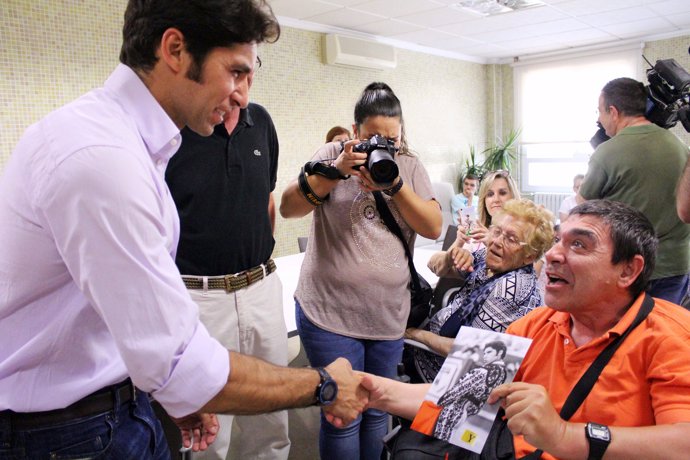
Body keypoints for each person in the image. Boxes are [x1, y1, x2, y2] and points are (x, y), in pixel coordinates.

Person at [0, 2, 366, 458]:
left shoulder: (127, 141)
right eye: (233, 72)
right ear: (174, 49)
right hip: (67, 433)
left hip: (110, 401)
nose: (242, 95)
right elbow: (179, 362)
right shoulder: (102, 159)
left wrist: (174, 387)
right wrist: (325, 384)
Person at [362, 200, 690, 460]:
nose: (553, 255)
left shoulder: (670, 335)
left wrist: (565, 437)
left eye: (579, 245)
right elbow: (459, 395)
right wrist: (371, 391)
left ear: (628, 270)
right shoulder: (537, 324)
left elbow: (683, 443)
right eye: (559, 241)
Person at [280, 82, 442, 459]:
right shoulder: (332, 155)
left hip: (387, 316)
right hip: (329, 313)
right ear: (355, 133)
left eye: (392, 139)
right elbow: (289, 207)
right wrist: (334, 172)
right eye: (373, 138)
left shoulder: (410, 165)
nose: (384, 146)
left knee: (376, 412)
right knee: (342, 415)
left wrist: (395, 184)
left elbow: (433, 226)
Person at [165, 100, 290, 460]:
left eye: (250, 71)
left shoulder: (261, 122)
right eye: (233, 70)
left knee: (271, 421)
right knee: (209, 434)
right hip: (200, 298)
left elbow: (265, 200)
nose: (241, 85)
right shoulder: (176, 128)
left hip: (261, 288)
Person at [406, 199, 554, 382]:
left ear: (529, 256)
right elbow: (435, 267)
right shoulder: (490, 258)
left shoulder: (511, 288)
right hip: (433, 346)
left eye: (511, 239)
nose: (497, 242)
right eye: (497, 231)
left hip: (445, 374)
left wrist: (415, 335)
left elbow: (469, 351)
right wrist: (452, 256)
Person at [579, 77, 690, 304]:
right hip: (677, 266)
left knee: (629, 335)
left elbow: (583, 208)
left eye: (600, 112)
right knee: (665, 333)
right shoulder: (679, 145)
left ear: (613, 111)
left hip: (630, 268)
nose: (600, 120)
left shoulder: (606, 152)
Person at [433, 341, 507, 441]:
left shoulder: (481, 371)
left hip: (453, 409)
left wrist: (439, 403)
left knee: (438, 439)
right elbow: (483, 399)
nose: (485, 356)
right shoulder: (503, 374)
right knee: (446, 441)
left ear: (499, 353)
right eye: (484, 353)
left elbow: (459, 390)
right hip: (465, 412)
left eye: (489, 352)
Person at [458, 170, 520, 246]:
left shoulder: (523, 232)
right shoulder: (456, 198)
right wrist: (459, 242)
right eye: (490, 194)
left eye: (502, 193)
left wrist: (492, 243)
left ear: (513, 197)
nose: (496, 199)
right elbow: (448, 255)